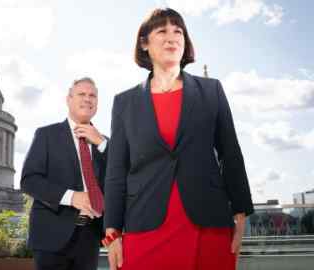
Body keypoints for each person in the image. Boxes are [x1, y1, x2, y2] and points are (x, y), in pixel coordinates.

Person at [103, 8, 254, 270]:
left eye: (178, 31)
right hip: (145, 224)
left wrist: (241, 215)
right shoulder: (124, 103)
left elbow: (230, 154)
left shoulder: (212, 91)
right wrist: (112, 233)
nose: (171, 37)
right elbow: (116, 171)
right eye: (162, 31)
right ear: (144, 43)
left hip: (208, 225)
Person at [21, 77, 108, 270]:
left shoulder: (105, 144)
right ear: (68, 99)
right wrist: (71, 197)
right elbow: (29, 180)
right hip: (52, 236)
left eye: (92, 95)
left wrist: (101, 143)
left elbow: (121, 177)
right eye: (81, 94)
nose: (87, 99)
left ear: (97, 104)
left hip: (90, 237)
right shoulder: (46, 135)